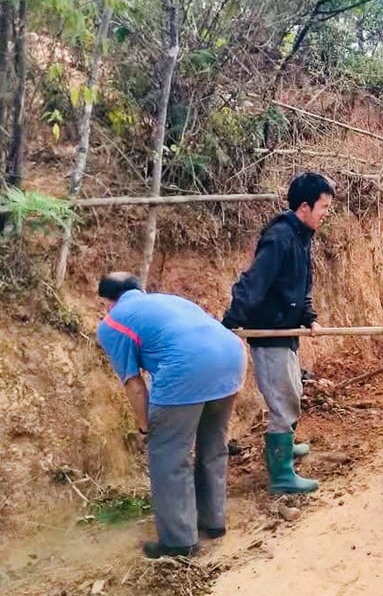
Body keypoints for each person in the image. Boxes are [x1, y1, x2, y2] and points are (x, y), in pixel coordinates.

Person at [96, 272, 246, 559]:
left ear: (107, 302)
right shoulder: (170, 300)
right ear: (139, 289)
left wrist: (144, 427)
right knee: (213, 446)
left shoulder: (112, 322)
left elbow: (135, 385)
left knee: (168, 456)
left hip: (186, 371)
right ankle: (213, 522)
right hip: (232, 358)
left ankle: (179, 541)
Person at [221, 172, 334, 494]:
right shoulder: (280, 238)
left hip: (286, 328)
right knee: (283, 401)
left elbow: (299, 284)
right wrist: (231, 322)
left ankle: (285, 447)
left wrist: (309, 317)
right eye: (323, 206)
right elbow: (253, 282)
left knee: (293, 392)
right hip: (269, 333)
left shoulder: (301, 237)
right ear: (304, 207)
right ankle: (281, 474)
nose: (326, 213)